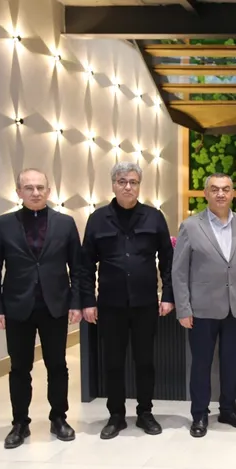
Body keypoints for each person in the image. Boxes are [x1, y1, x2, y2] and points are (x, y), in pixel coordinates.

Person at [0, 168, 82, 449]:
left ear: (48, 191)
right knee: (19, 368)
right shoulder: (4, 224)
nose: (35, 193)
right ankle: (20, 423)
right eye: (29, 188)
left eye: (40, 187)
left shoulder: (65, 223)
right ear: (19, 192)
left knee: (57, 365)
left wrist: (76, 302)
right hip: (17, 307)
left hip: (55, 306)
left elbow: (78, 268)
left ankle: (59, 418)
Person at [81, 161, 174, 439]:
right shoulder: (98, 219)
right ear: (113, 185)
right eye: (122, 182)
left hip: (145, 304)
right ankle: (116, 415)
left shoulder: (154, 217)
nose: (128, 187)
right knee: (113, 362)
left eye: (133, 182)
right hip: (111, 305)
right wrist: (88, 301)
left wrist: (168, 296)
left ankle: (145, 412)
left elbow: (167, 261)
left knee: (145, 361)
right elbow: (85, 265)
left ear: (139, 185)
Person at [172, 173, 236, 437]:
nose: (221, 193)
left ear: (233, 193)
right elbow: (179, 271)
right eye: (215, 189)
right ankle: (199, 414)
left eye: (226, 189)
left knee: (231, 363)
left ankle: (228, 410)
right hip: (202, 310)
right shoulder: (190, 226)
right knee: (201, 364)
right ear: (206, 193)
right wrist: (183, 309)